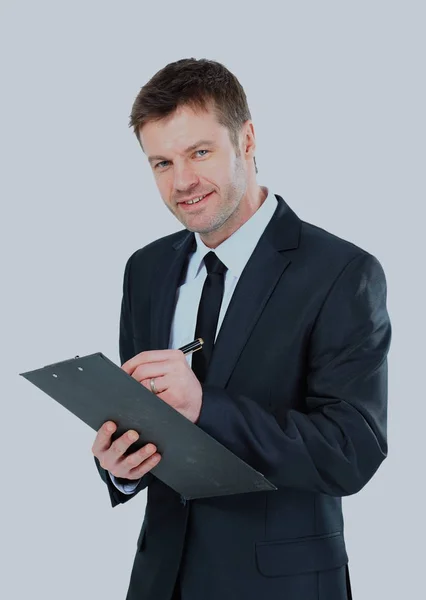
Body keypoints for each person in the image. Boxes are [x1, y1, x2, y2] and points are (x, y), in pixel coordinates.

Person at [91, 58, 391, 600]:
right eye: (161, 162)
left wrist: (206, 406)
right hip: (161, 581)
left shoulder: (342, 273)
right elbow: (141, 417)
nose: (182, 182)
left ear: (247, 139)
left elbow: (352, 451)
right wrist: (122, 466)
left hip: (284, 587)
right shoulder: (147, 270)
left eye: (199, 153)